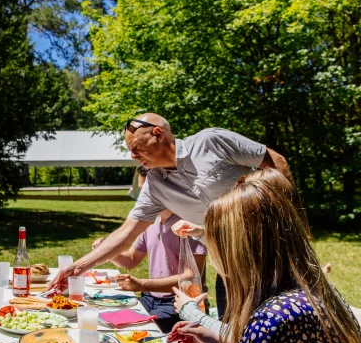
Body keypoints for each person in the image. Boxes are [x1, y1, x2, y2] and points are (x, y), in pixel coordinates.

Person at [49, 113, 292, 319]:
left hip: (276, 254)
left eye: (136, 148)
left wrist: (293, 225)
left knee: (288, 325)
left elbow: (277, 163)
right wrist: (77, 267)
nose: (133, 156)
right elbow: (126, 234)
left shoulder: (211, 141)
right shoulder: (155, 183)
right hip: (229, 267)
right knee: (233, 333)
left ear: (158, 133)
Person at [166, 179, 361, 343]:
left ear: (237, 251)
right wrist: (211, 336)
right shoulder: (316, 292)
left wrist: (196, 317)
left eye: (214, 242)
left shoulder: (272, 318)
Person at [91, 208, 207, 332]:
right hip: (150, 298)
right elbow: (131, 259)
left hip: (179, 302)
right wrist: (106, 249)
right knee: (104, 319)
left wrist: (141, 285)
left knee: (136, 330)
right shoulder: (151, 223)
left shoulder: (188, 225)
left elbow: (190, 278)